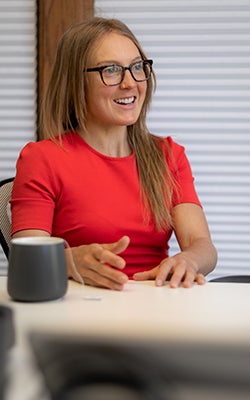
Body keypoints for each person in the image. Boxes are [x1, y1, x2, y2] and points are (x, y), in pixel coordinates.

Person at [10, 17, 217, 290]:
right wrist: (69, 261)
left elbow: (202, 247)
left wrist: (189, 260)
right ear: (75, 82)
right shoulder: (42, 159)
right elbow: (26, 262)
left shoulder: (168, 155)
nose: (130, 83)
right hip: (79, 310)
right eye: (111, 70)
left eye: (136, 67)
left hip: (157, 308)